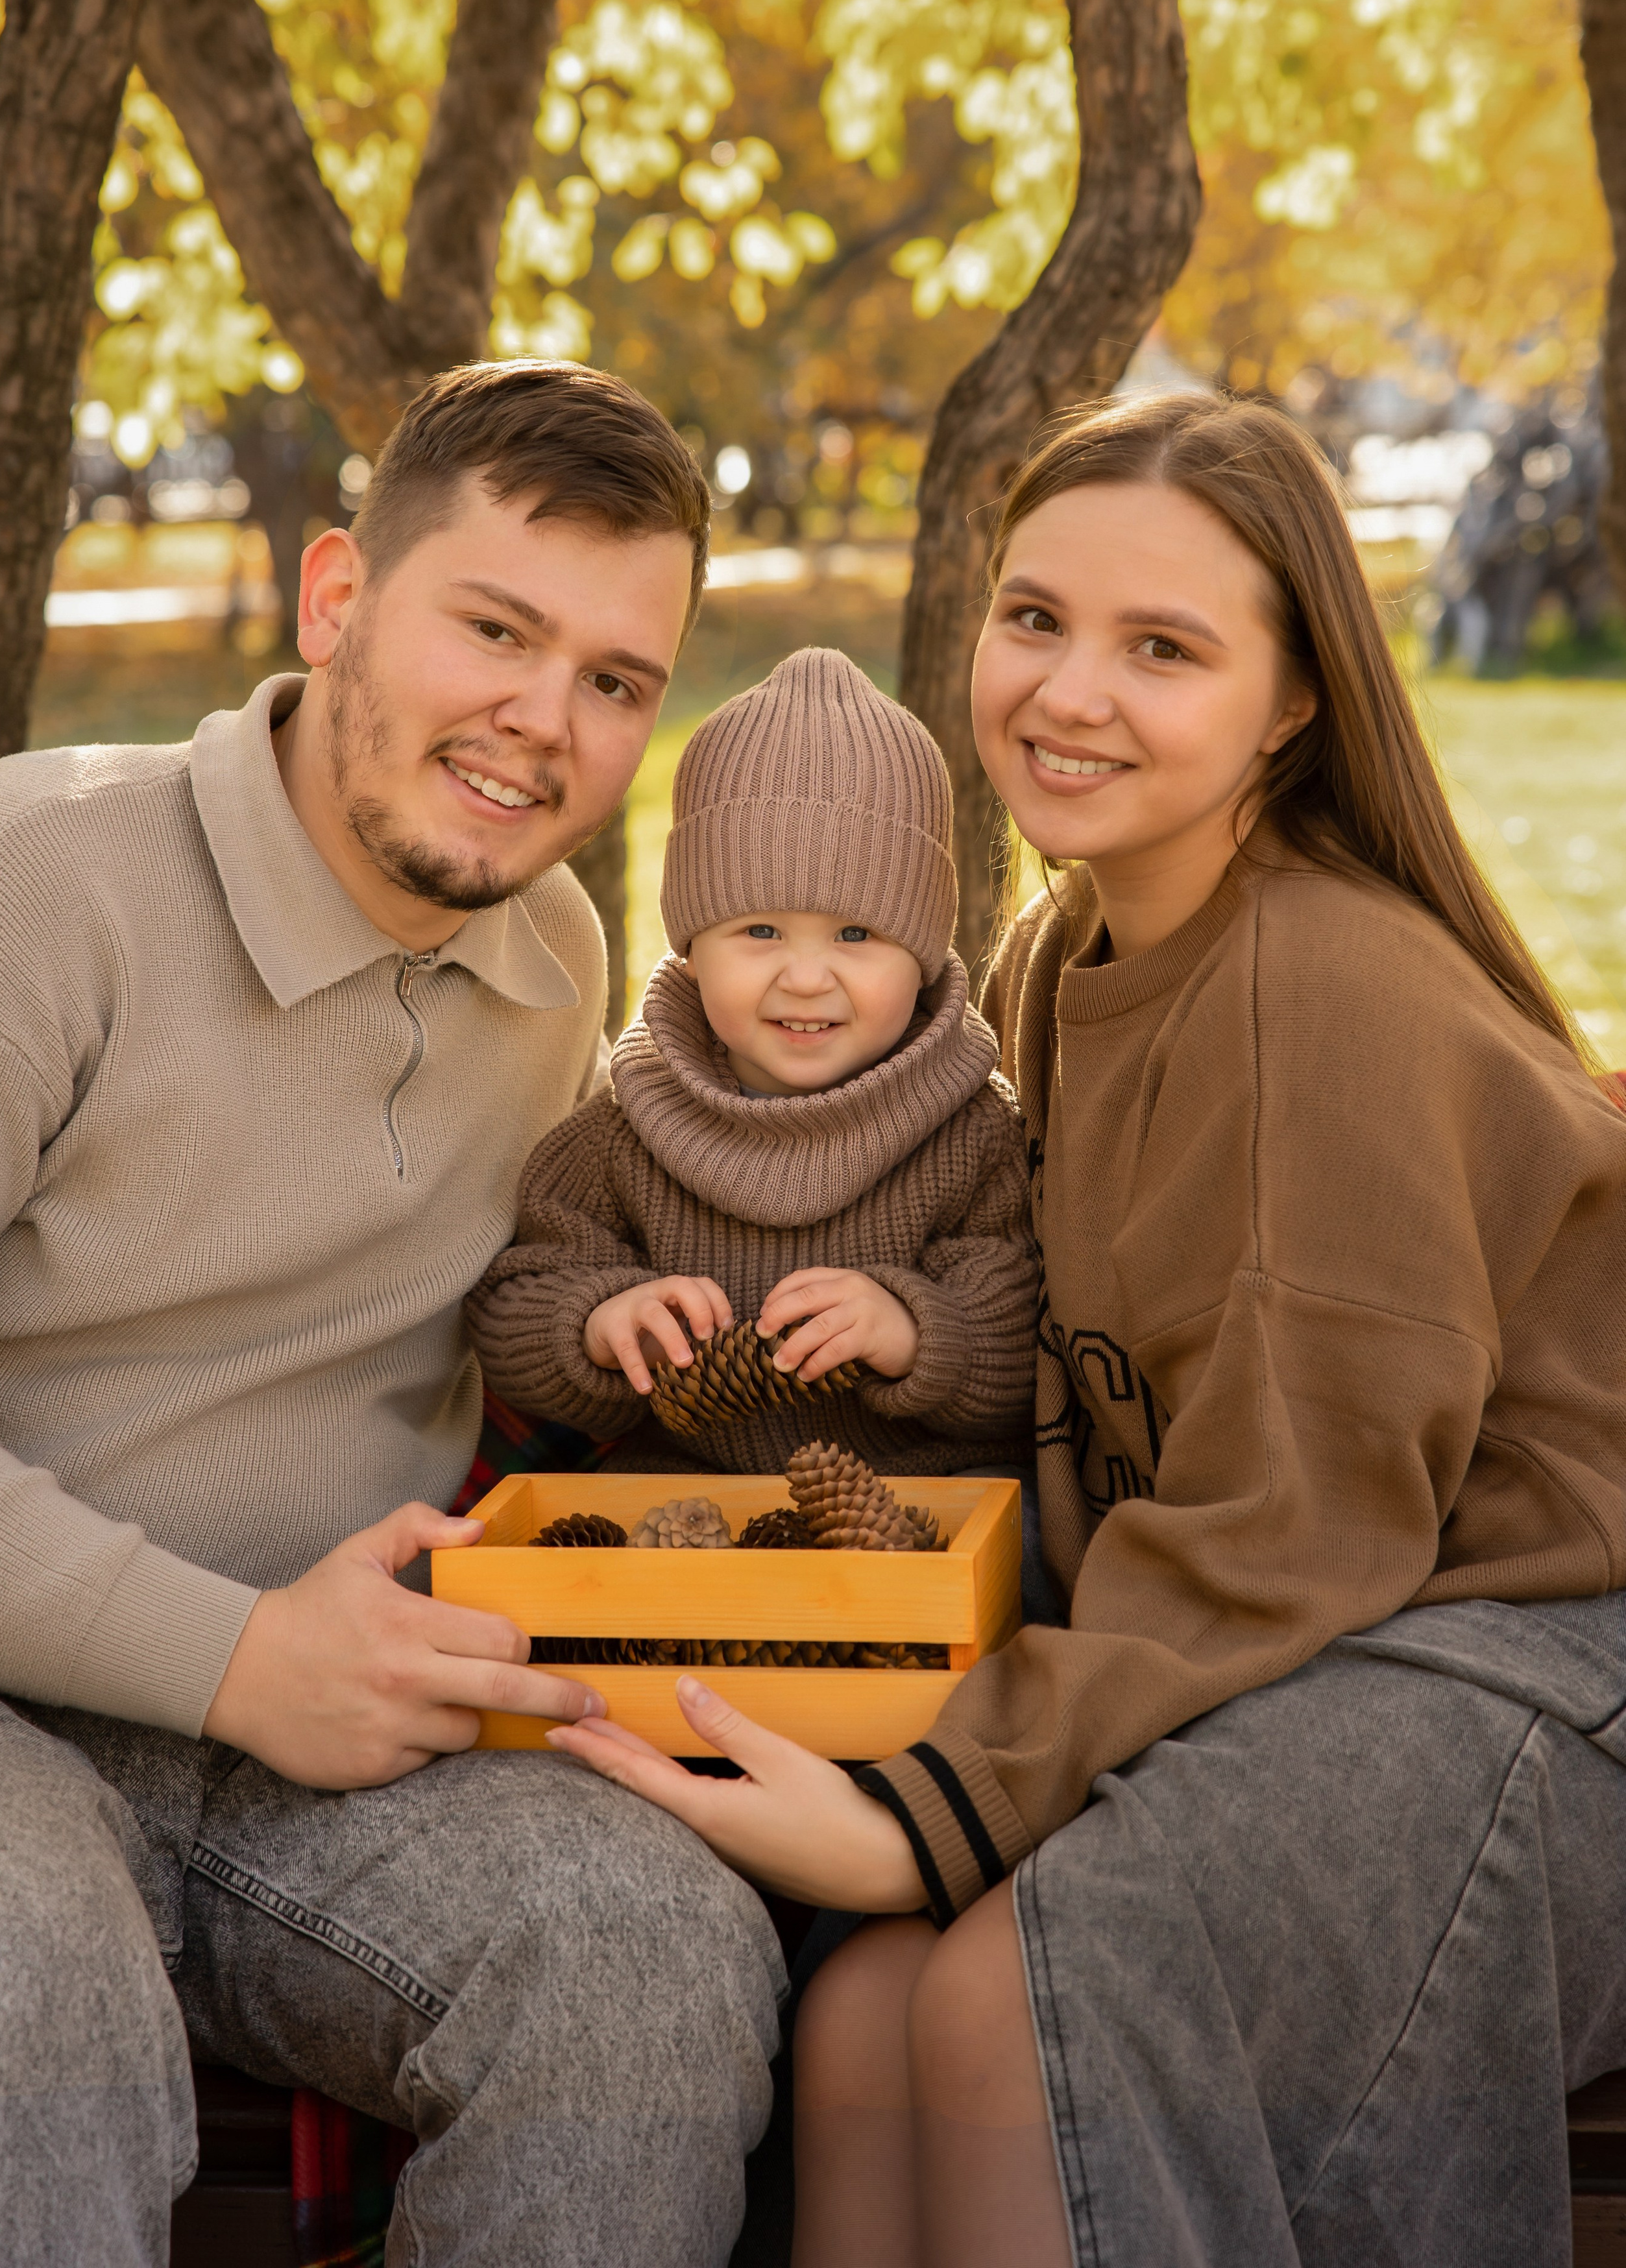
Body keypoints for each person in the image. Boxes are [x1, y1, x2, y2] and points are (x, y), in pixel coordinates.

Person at [547, 388, 1626, 2268]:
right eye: (1034, 618)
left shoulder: (1323, 987)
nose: (1069, 692)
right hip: (1309, 1622)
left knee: (1009, 1992)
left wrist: (931, 1807)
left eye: (1165, 648)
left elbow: (1292, 1528)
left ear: (1291, 703)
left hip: (1522, 1659)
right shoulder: (1069, 951)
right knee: (870, 2000)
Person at [0, 359, 786, 2268]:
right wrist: (238, 1655)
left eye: (614, 680)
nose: (543, 725)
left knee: (650, 1958)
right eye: (492, 628)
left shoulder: (557, 956)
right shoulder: (32, 885)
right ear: (337, 598)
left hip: (334, 1745)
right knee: (10, 1978)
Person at [469, 646, 1037, 1484]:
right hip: (691, 1502)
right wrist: (597, 1322)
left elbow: (1027, 1336)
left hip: (918, 1503)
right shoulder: (631, 1125)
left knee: (1015, 1552)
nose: (806, 977)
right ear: (692, 948)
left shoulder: (971, 1128)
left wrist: (916, 1330)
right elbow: (516, 1299)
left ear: (922, 956)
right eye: (759, 931)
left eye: (856, 934)